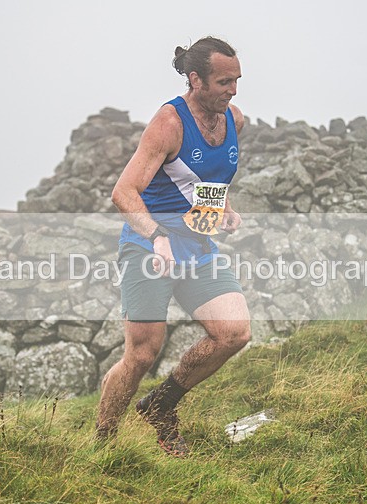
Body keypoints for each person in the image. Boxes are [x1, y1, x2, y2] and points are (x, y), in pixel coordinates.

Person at [95, 36, 251, 457]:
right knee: (142, 354)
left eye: (237, 80)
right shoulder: (169, 123)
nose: (233, 90)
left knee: (234, 333)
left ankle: (161, 406)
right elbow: (124, 192)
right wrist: (157, 237)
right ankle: (103, 446)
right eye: (223, 81)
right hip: (149, 247)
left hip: (196, 246)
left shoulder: (234, 119)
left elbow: (208, 179)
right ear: (195, 78)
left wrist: (225, 211)